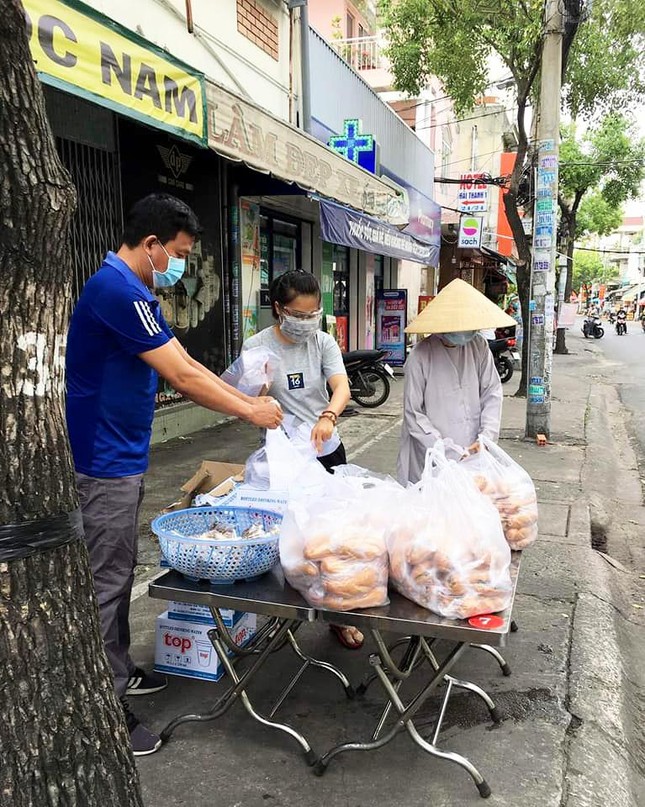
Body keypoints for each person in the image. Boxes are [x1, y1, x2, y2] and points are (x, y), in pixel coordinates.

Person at [65, 194, 283, 756]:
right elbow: (183, 376)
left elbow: (181, 359)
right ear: (153, 244)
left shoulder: (135, 293)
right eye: (178, 253)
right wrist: (249, 411)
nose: (179, 266)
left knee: (116, 568)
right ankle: (103, 711)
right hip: (102, 460)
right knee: (106, 581)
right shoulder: (116, 289)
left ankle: (117, 670)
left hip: (121, 454)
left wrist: (241, 394)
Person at [239, 271, 363, 649]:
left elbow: (340, 386)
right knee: (291, 541)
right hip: (283, 460)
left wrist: (328, 416)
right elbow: (248, 401)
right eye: (299, 314)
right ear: (278, 309)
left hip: (325, 450)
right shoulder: (257, 346)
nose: (307, 322)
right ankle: (287, 612)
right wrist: (259, 389)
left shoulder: (323, 342)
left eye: (313, 314)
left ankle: (339, 616)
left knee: (335, 538)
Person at [397, 279, 517, 485]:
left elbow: (492, 392)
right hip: (432, 454)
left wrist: (485, 437)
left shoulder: (478, 346)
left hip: (475, 450)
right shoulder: (421, 355)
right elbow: (413, 413)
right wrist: (442, 448)